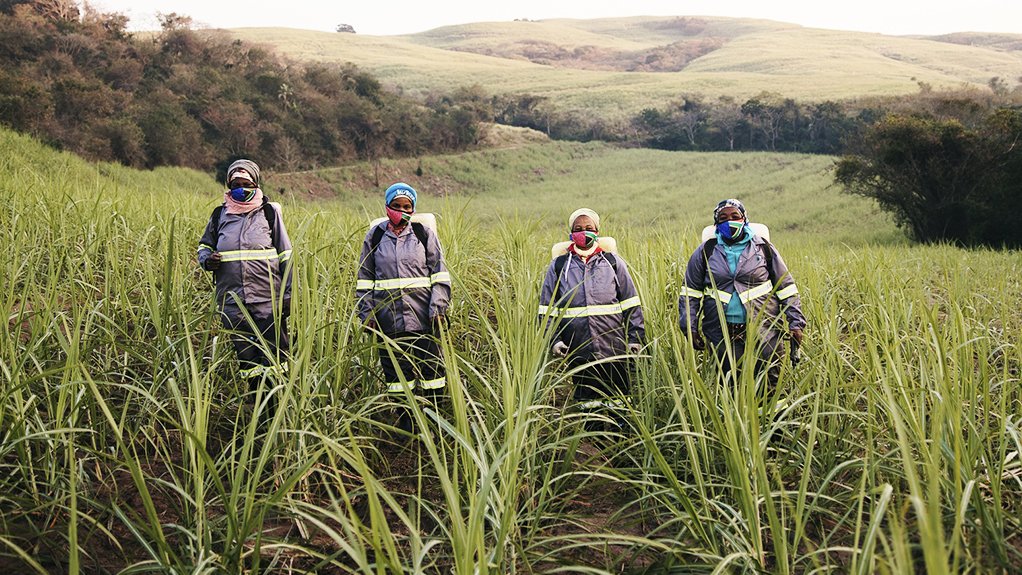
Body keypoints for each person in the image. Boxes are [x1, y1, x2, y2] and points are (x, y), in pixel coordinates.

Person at [197, 159, 293, 424]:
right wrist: (208, 260)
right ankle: (259, 411)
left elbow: (286, 255)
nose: (241, 189)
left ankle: (279, 410)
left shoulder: (269, 213)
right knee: (248, 360)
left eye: (247, 185)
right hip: (233, 303)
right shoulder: (220, 215)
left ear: (256, 184)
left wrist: (287, 297)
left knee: (275, 357)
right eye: (236, 185)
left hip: (267, 300)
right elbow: (203, 247)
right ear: (229, 186)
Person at [678, 198, 805, 390]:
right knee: (729, 385)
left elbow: (786, 287)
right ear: (716, 223)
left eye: (735, 216)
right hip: (722, 332)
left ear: (744, 219)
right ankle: (733, 420)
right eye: (723, 217)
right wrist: (690, 326)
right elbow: (690, 293)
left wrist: (796, 323)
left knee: (769, 383)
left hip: (765, 329)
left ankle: (772, 417)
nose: (729, 221)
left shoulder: (763, 248)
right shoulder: (706, 251)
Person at [355, 182, 451, 429]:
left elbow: (439, 273)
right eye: (396, 206)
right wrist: (367, 314)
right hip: (389, 321)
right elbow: (365, 278)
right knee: (398, 378)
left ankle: (435, 423)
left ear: (413, 208)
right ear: (387, 207)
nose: (401, 210)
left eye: (407, 206)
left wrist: (438, 308)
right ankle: (408, 426)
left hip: (424, 318)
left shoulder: (423, 234)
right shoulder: (375, 236)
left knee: (432, 374)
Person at [538, 208, 645, 425]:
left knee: (619, 400)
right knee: (587, 403)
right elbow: (546, 309)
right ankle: (592, 445)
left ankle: (620, 442)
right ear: (570, 232)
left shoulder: (612, 262)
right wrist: (555, 340)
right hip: (578, 348)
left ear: (597, 231)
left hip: (613, 347)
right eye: (578, 229)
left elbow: (631, 302)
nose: (583, 232)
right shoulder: (559, 266)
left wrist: (635, 338)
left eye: (589, 228)